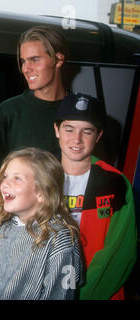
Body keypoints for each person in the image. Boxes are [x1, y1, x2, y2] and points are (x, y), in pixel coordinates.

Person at [54, 93, 137, 300]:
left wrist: (83, 295)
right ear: (56, 130)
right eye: (69, 129)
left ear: (98, 136)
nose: (77, 139)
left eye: (87, 131)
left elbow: (120, 251)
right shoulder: (37, 176)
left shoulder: (115, 183)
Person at [0, 147, 83, 300]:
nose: (4, 184)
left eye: (17, 178)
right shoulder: (3, 229)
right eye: (5, 176)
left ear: (42, 192)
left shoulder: (60, 240)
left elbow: (63, 293)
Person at [0, 25, 69, 195]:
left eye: (35, 59)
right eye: (24, 61)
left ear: (58, 60)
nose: (26, 68)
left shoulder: (80, 113)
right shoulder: (9, 112)